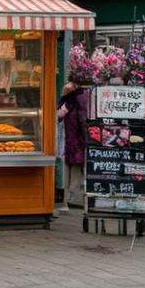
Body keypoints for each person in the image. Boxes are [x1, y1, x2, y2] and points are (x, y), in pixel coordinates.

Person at [57, 81, 87, 210]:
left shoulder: (65, 105)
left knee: (67, 173)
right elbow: (83, 123)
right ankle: (74, 198)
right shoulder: (81, 102)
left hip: (67, 142)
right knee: (76, 172)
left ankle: (67, 199)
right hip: (76, 143)